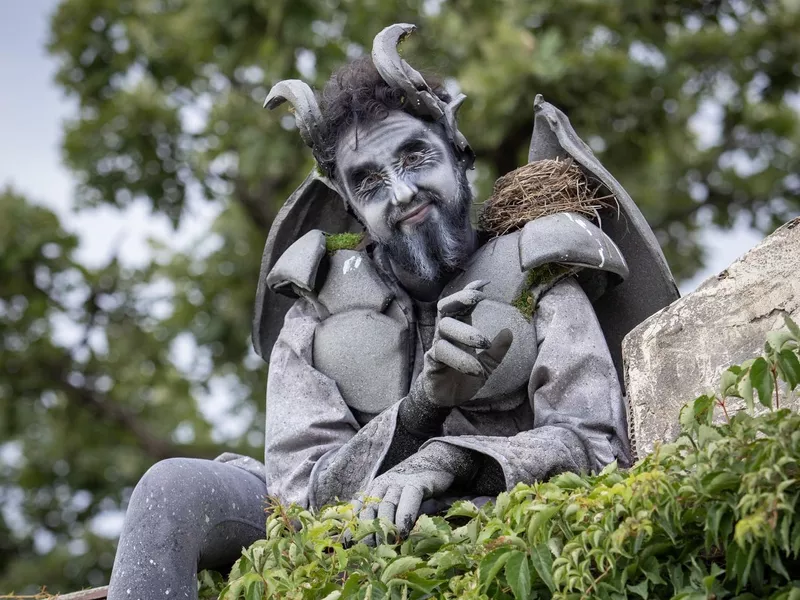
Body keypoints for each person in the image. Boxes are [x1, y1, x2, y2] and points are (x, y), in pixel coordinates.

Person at [107, 23, 677, 600]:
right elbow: (298, 495)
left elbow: (599, 449)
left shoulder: (538, 277)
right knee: (170, 490)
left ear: (458, 152)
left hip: (499, 517)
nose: (401, 193)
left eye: (415, 157)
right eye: (370, 182)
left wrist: (454, 459)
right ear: (350, 205)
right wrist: (420, 411)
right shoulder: (317, 309)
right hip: (340, 534)